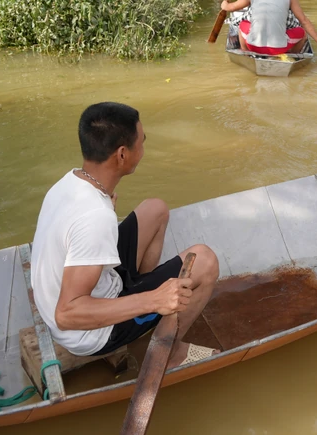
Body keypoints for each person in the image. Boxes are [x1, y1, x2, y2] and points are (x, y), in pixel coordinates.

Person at [31, 102, 220, 367]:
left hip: (91, 289)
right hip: (89, 333)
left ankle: (140, 300)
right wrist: (154, 299)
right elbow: (67, 314)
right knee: (206, 260)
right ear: (122, 154)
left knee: (155, 209)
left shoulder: (71, 181)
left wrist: (105, 209)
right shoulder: (95, 217)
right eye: (141, 142)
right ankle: (171, 352)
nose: (143, 150)